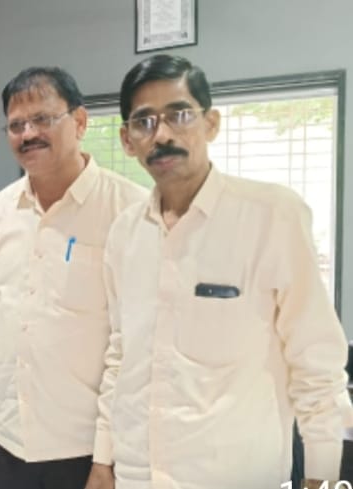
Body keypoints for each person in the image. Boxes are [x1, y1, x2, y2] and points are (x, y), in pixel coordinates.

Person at [89, 54, 353, 489]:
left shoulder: (273, 216)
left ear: (210, 123)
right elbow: (122, 353)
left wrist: (321, 477)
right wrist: (104, 458)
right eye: (144, 122)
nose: (163, 134)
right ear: (126, 139)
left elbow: (315, 360)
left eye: (180, 114)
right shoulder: (124, 234)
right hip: (138, 475)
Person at [0, 67, 146, 489]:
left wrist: (108, 452)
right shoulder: (0, 211)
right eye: (16, 125)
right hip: (9, 438)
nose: (28, 134)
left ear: (79, 122)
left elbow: (134, 345)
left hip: (85, 447)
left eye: (43, 119)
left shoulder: (129, 210)